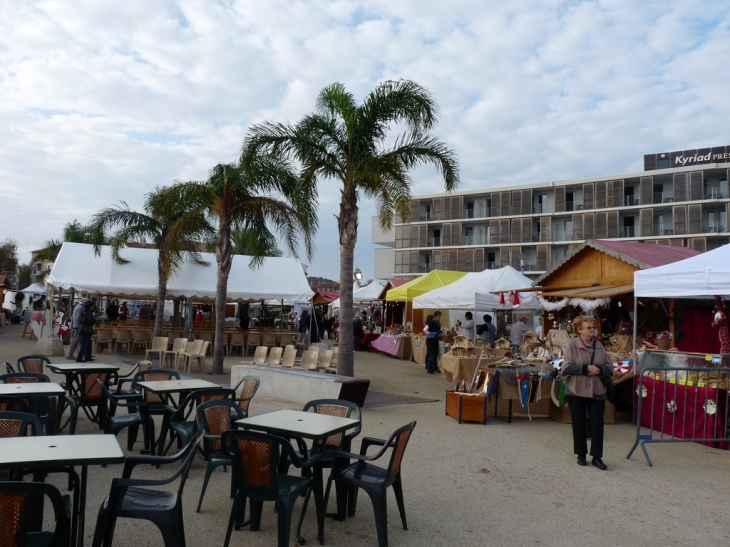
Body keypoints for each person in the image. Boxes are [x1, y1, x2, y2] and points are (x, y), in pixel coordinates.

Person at [560, 315, 614, 470]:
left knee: (597, 424)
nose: (592, 329)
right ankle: (581, 454)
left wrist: (600, 370)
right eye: (589, 327)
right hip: (576, 390)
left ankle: (597, 457)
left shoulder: (599, 346)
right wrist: (585, 368)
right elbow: (565, 369)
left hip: (597, 390)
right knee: (579, 424)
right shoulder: (571, 346)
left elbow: (610, 367)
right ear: (579, 330)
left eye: (593, 327)